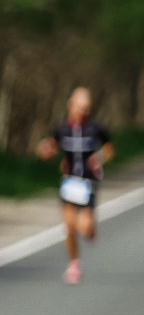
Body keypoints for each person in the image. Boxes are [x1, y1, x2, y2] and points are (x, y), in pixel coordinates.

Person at [36, 86, 115, 284]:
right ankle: (74, 264)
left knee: (85, 228)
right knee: (69, 226)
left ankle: (90, 229)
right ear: (71, 105)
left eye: (86, 108)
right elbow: (50, 147)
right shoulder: (62, 128)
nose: (82, 111)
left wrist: (100, 157)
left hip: (88, 183)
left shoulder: (94, 128)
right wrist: (45, 151)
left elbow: (109, 148)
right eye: (79, 107)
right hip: (70, 182)